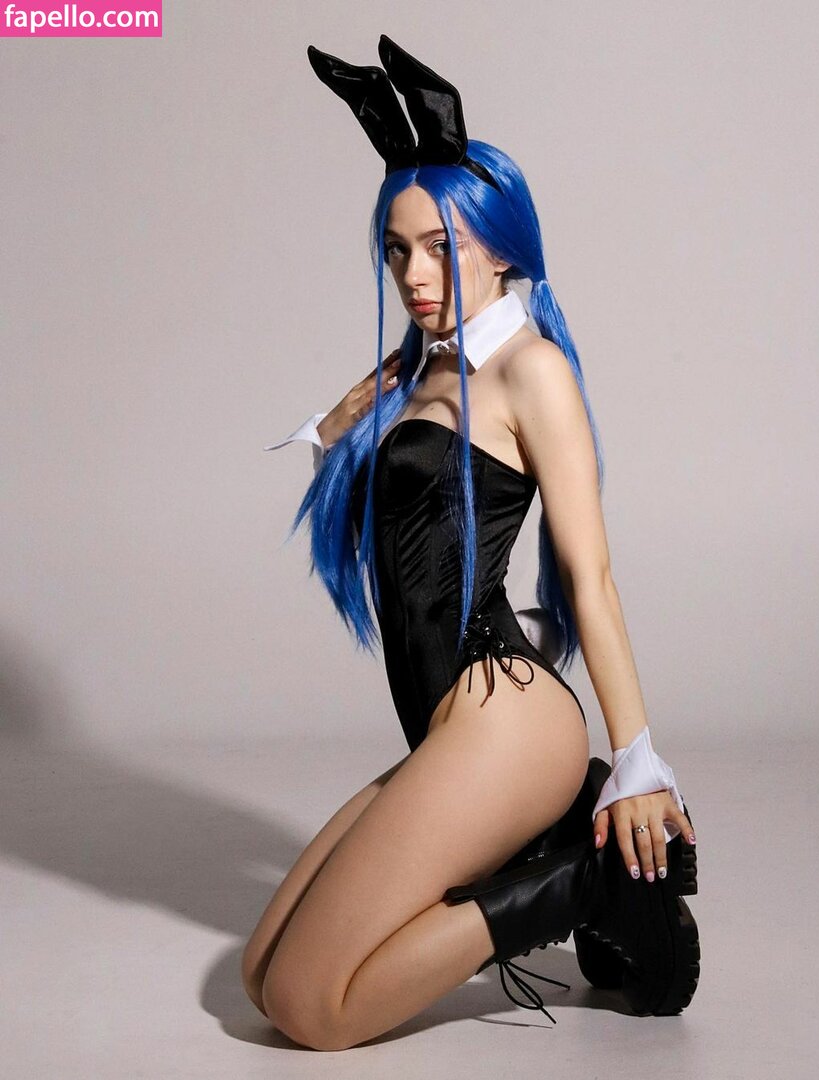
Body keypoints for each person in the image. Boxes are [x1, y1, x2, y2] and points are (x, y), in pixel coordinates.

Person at [242, 35, 699, 1051]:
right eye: (396, 250)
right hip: (453, 727)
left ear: (500, 248)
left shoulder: (532, 371)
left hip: (507, 724)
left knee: (312, 1009)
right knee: (260, 973)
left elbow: (589, 576)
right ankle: (556, 857)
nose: (414, 274)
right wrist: (334, 428)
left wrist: (636, 761)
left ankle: (582, 885)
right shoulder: (424, 368)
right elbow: (386, 504)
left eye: (438, 248)